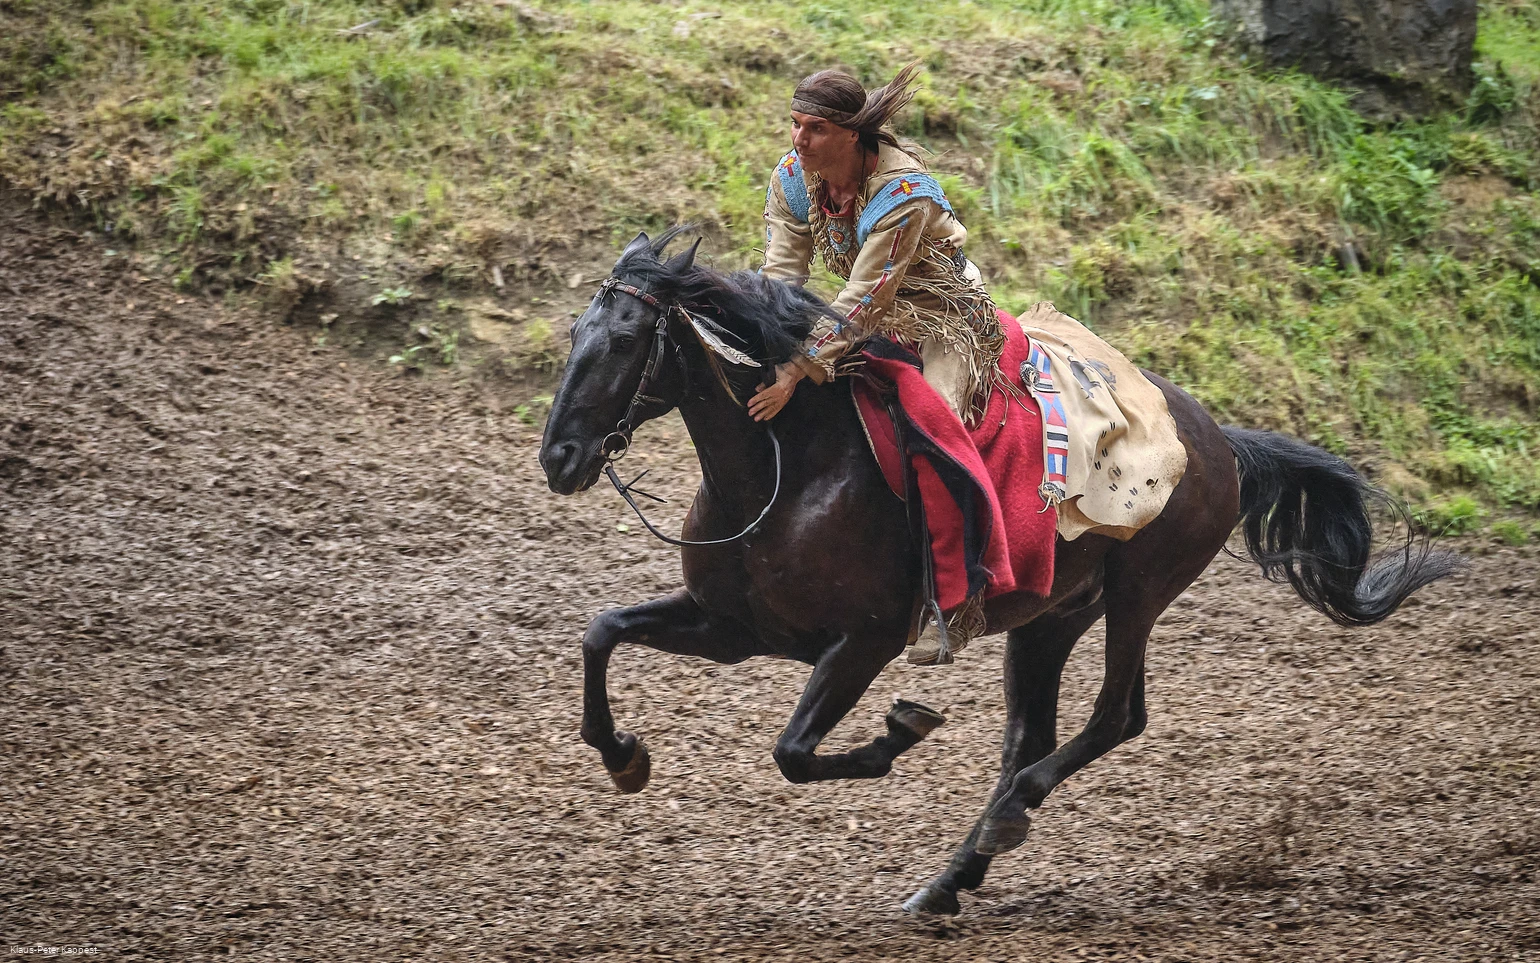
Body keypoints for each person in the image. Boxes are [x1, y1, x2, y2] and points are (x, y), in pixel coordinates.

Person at [749, 62, 1004, 428]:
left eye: (816, 128)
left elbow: (868, 294)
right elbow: (781, 273)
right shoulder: (792, 178)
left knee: (934, 420)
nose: (799, 140)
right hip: (868, 312)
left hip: (941, 314)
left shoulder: (900, 193)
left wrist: (796, 369)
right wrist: (764, 334)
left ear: (852, 135)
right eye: (795, 123)